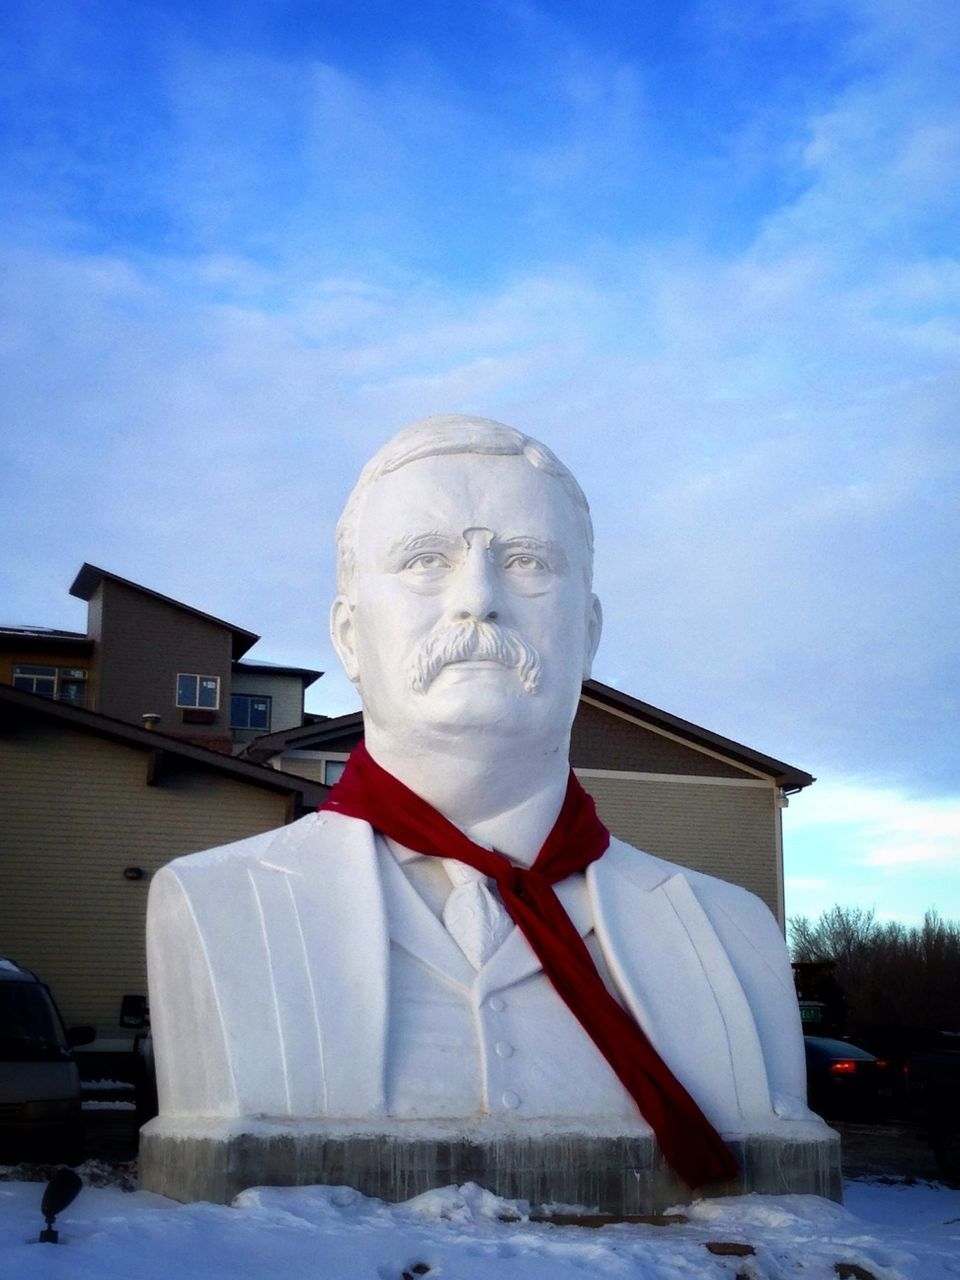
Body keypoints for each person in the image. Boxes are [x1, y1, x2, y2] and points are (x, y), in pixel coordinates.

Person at [146, 414, 817, 1192]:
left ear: (589, 634)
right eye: (425, 560)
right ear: (348, 636)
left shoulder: (734, 938)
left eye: (528, 560)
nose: (479, 599)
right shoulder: (216, 905)